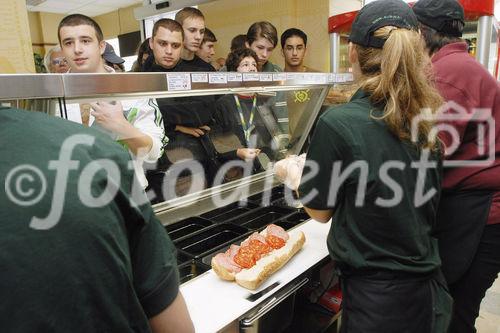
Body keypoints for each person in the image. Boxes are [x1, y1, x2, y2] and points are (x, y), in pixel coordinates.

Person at [278, 0, 452, 332]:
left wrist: (293, 175)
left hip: (378, 301)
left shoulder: (338, 122)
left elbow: (319, 210)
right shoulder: (425, 119)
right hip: (429, 292)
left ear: (353, 54)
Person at [0, 105, 194, 332]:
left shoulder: (133, 99)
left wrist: (122, 127)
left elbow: (153, 150)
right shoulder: (53, 107)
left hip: (123, 200)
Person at [412, 1, 500, 332]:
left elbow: (430, 152)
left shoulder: (448, 74)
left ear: (421, 32)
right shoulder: (460, 66)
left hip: (480, 214)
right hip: (473, 205)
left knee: (453, 316)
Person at [58, 14, 165, 189]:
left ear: (101, 46)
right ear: (63, 50)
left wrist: (121, 126)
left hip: (126, 195)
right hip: (72, 196)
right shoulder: (52, 97)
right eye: (68, 42)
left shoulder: (134, 90)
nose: (77, 49)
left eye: (85, 41)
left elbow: (153, 152)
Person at [174, 7, 215, 71]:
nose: (198, 37)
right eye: (192, 30)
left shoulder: (208, 69)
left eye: (201, 32)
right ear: (178, 30)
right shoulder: (162, 66)